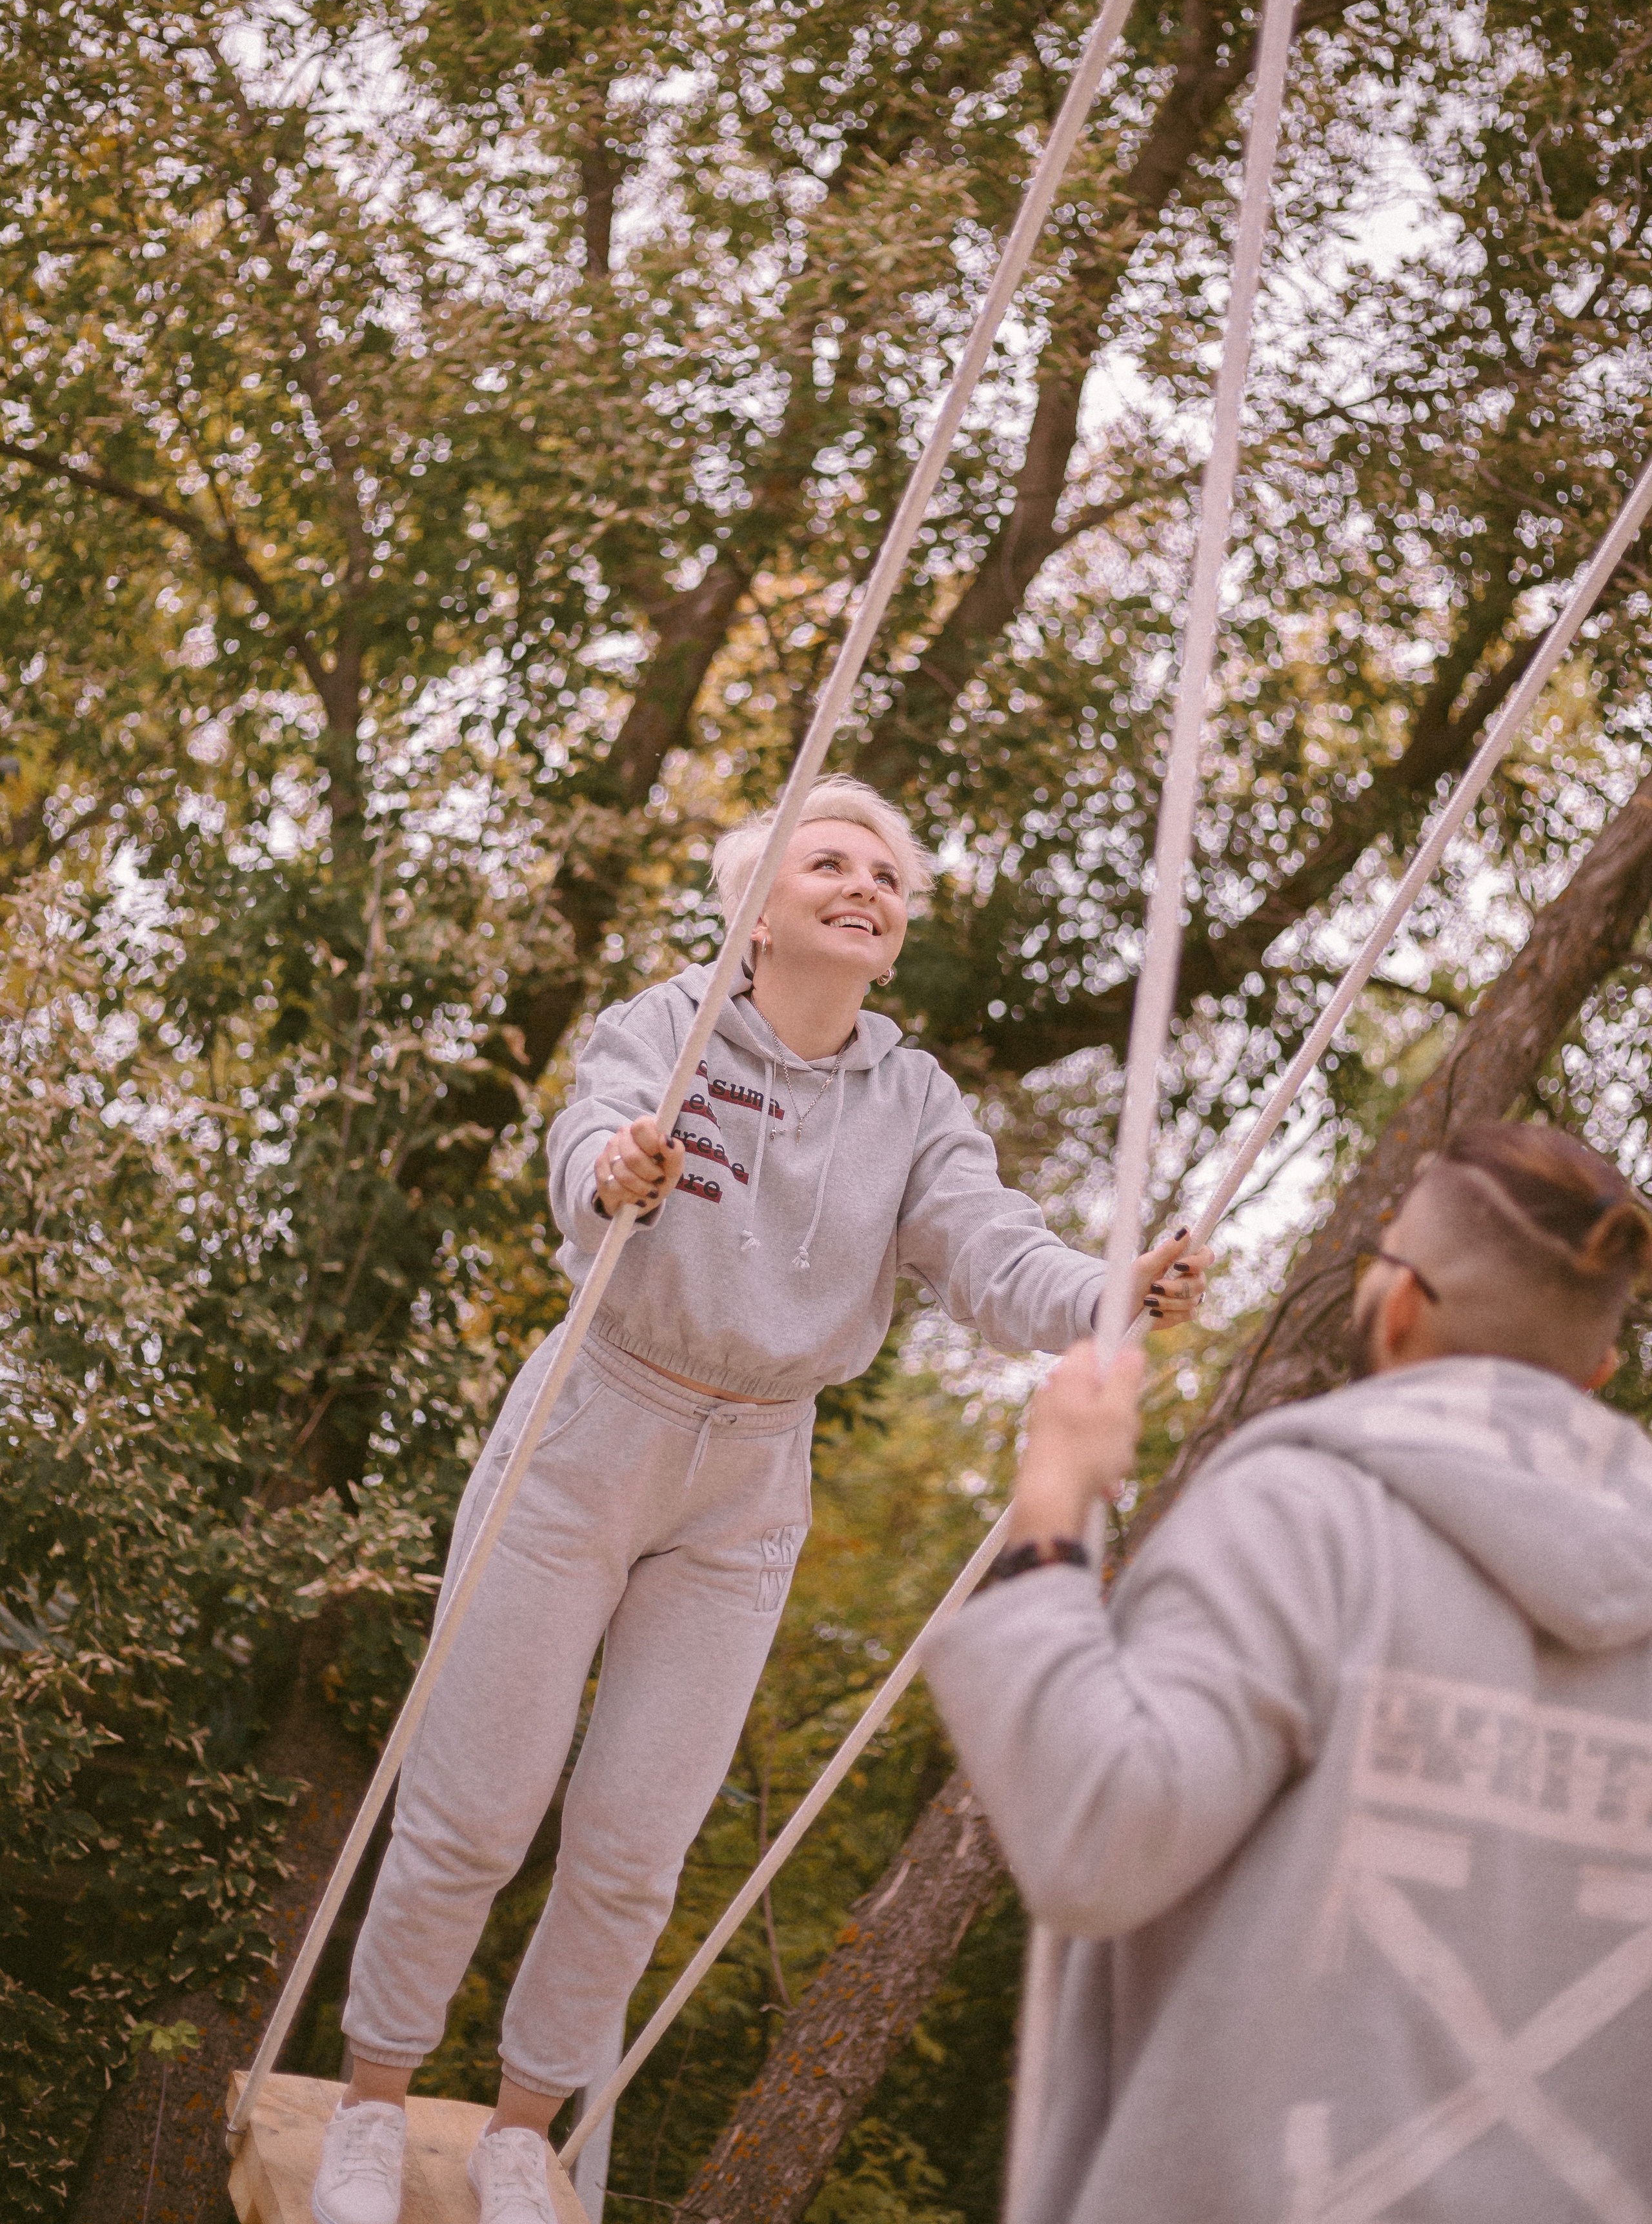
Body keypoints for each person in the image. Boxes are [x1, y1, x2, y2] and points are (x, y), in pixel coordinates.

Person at [312, 776, 1211, 2224]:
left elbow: (988, 1247)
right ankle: (370, 2104)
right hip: (597, 1419)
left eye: (889, 879)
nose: (867, 887)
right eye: (830, 862)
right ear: (754, 908)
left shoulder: (911, 1100)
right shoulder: (660, 1030)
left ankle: (515, 2130)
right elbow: (587, 1145)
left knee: (632, 1842)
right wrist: (617, 1172)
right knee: (477, 1808)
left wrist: (1107, 1293)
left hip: (750, 1476)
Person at [924, 1119, 1652, 2224]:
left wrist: (1052, 1512)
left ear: (1398, 1304)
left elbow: (1101, 1834)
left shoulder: (1302, 1519)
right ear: (1593, 1375)